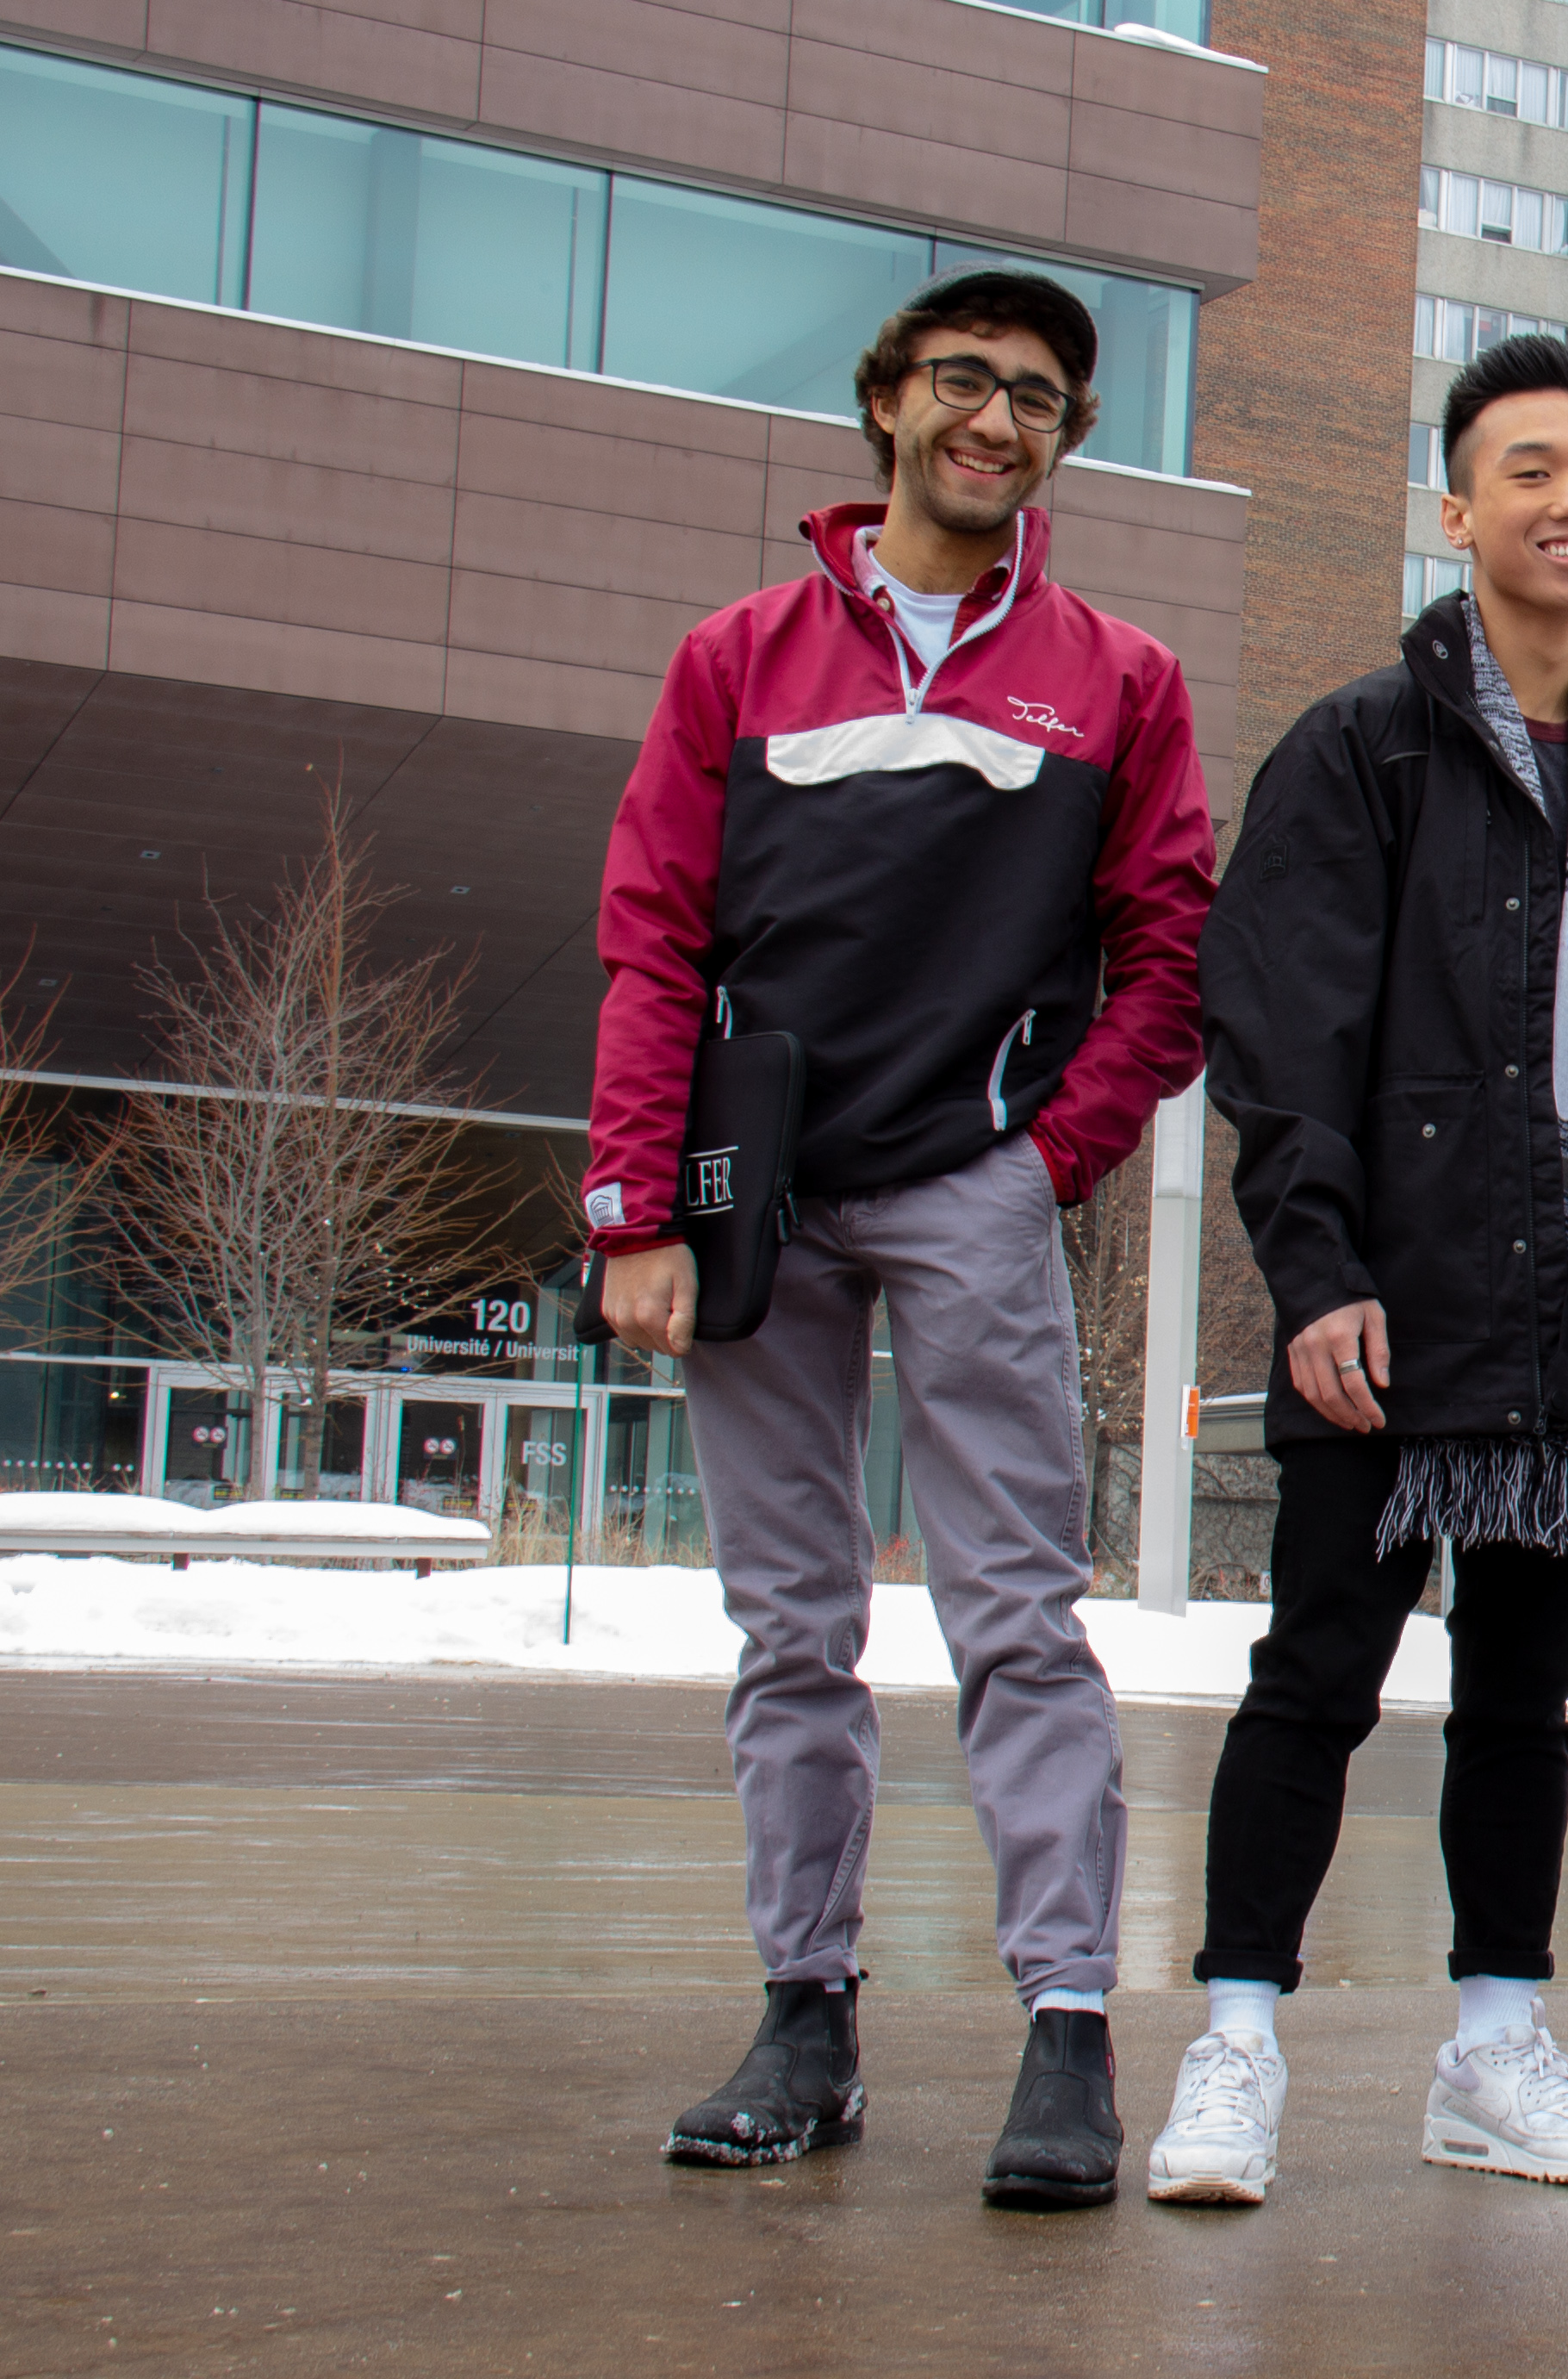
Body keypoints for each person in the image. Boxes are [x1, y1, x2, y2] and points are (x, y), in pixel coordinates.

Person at [588, 269, 1216, 2210]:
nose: (997, 418)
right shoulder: (739, 657)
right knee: (791, 1629)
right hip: (748, 1191)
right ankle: (806, 2017)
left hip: (973, 1187)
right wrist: (632, 1200)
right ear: (885, 403)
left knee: (1018, 1617)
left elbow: (1170, 948)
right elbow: (652, 930)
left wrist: (1051, 1159)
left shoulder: (1119, 677)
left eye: (1039, 398)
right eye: (965, 380)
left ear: (1064, 442)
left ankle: (1065, 2034)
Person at [1156, 334, 1568, 2206]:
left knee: (1521, 1708)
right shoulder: (1363, 745)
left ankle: (1493, 2049)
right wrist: (1314, 1271)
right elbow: (1283, 1029)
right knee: (1313, 1677)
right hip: (1390, 1310)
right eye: (1529, 470)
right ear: (1457, 507)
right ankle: (1234, 2044)